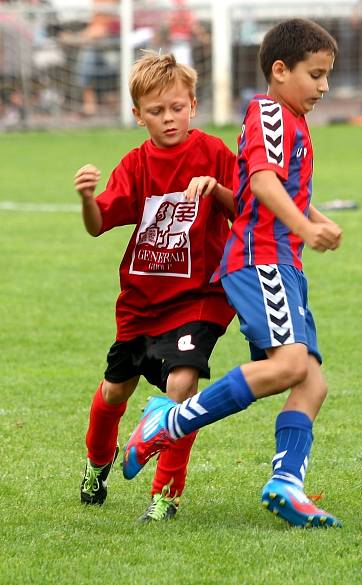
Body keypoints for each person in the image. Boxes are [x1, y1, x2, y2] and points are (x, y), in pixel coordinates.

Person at [120, 19, 344, 528]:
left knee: (311, 382)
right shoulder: (269, 112)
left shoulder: (292, 119)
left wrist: (314, 217)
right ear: (280, 70)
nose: (324, 87)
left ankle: (286, 482)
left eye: (327, 75)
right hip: (261, 260)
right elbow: (264, 184)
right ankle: (167, 422)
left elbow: (256, 192)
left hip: (282, 261)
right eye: (316, 74)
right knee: (290, 366)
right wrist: (305, 228)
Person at [74, 50, 236, 522]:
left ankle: (165, 495)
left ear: (193, 105)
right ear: (137, 115)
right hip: (142, 303)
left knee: (182, 385)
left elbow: (243, 209)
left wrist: (215, 188)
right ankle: (97, 463)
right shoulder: (136, 164)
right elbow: (98, 222)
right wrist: (87, 198)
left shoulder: (213, 153)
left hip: (199, 298)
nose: (169, 118)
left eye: (177, 108)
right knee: (113, 393)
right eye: (156, 111)